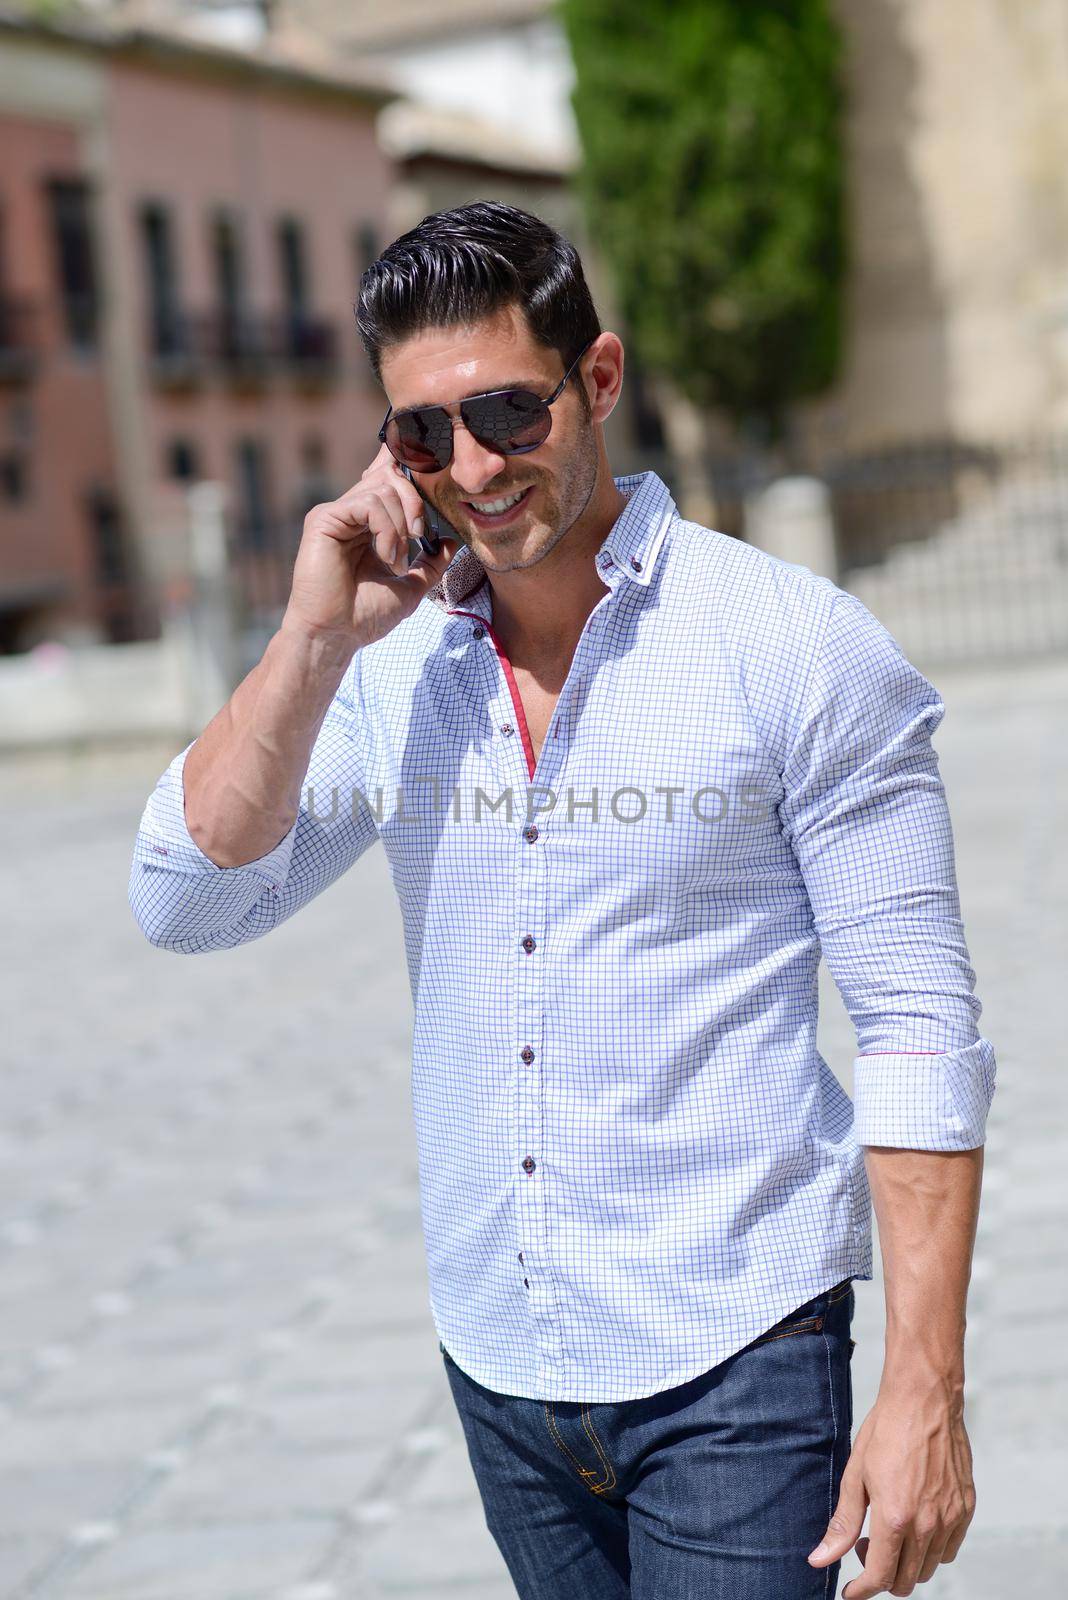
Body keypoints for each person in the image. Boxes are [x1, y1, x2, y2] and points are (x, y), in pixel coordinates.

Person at [129, 201, 996, 1600]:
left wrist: (925, 1391)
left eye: (508, 413)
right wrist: (310, 640)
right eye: (422, 434)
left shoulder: (794, 647)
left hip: (739, 1360)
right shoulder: (395, 669)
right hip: (502, 1361)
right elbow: (187, 902)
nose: (470, 467)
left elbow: (920, 1034)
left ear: (597, 381)